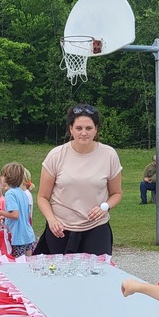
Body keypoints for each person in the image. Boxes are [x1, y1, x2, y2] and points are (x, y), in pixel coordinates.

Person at [36, 103, 123, 255]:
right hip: (61, 229)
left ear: (96, 129)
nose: (84, 133)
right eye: (79, 128)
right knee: (58, 276)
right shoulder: (56, 155)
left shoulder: (109, 155)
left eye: (89, 128)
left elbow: (117, 193)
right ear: (71, 129)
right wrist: (51, 220)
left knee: (97, 275)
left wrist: (105, 207)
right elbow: (42, 197)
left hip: (96, 228)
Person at [0, 162, 36, 257]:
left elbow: (15, 215)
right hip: (29, 235)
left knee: (19, 263)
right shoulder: (23, 193)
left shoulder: (10, 193)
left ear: (8, 177)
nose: (0, 178)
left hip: (18, 237)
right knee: (28, 263)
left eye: (2, 175)